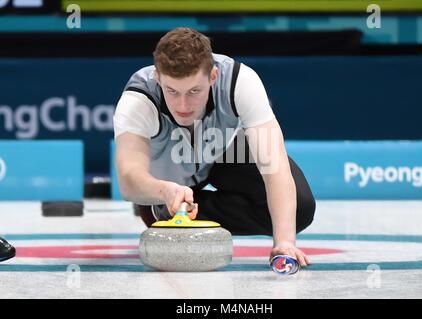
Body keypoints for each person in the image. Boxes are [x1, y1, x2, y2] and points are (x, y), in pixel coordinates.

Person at [114, 27, 315, 267]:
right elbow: (128, 180)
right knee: (164, 199)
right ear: (158, 78)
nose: (183, 105)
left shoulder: (241, 81)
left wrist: (284, 242)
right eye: (172, 92)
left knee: (300, 208)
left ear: (213, 76)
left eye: (194, 91)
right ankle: (165, 210)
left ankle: (192, 212)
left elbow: (275, 166)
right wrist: (163, 192)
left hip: (222, 153)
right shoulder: (138, 100)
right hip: (168, 180)